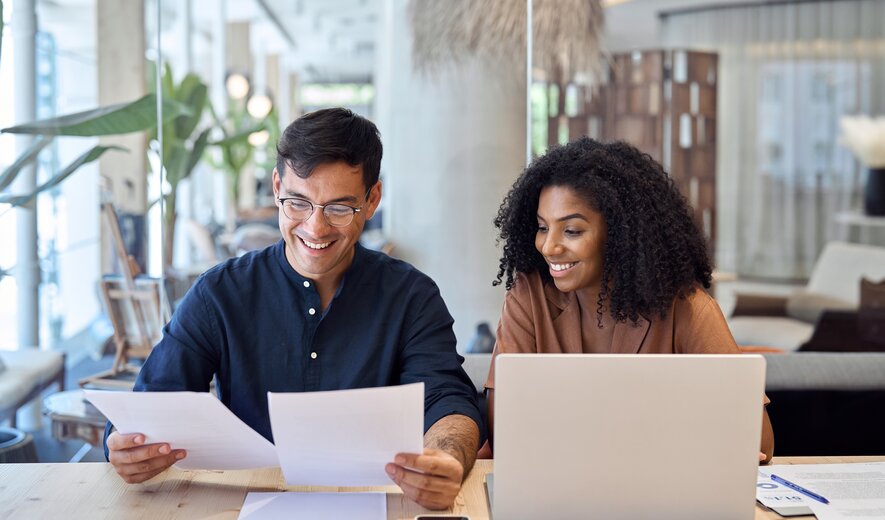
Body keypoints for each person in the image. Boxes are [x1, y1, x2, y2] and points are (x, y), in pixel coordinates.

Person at [104, 108, 484, 510]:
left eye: (339, 208)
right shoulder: (219, 293)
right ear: (276, 187)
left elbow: (447, 400)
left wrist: (445, 457)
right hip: (242, 503)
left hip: (378, 502)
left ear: (372, 200)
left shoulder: (411, 296)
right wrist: (126, 447)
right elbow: (153, 402)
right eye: (298, 203)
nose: (315, 228)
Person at [484, 137, 774, 462]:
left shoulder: (684, 306)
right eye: (541, 227)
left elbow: (758, 442)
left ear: (621, 233)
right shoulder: (529, 297)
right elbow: (503, 433)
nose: (549, 247)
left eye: (572, 231)